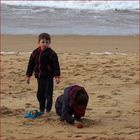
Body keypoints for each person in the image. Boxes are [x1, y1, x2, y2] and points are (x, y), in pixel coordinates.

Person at [26, 33, 60, 113]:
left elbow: (55, 65)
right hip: (39, 77)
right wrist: (28, 75)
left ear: (49, 43)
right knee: (40, 95)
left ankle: (48, 110)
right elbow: (31, 64)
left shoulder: (51, 53)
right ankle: (41, 109)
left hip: (48, 77)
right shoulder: (35, 53)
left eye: (47, 42)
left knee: (48, 95)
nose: (45, 44)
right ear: (39, 42)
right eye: (43, 42)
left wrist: (57, 76)